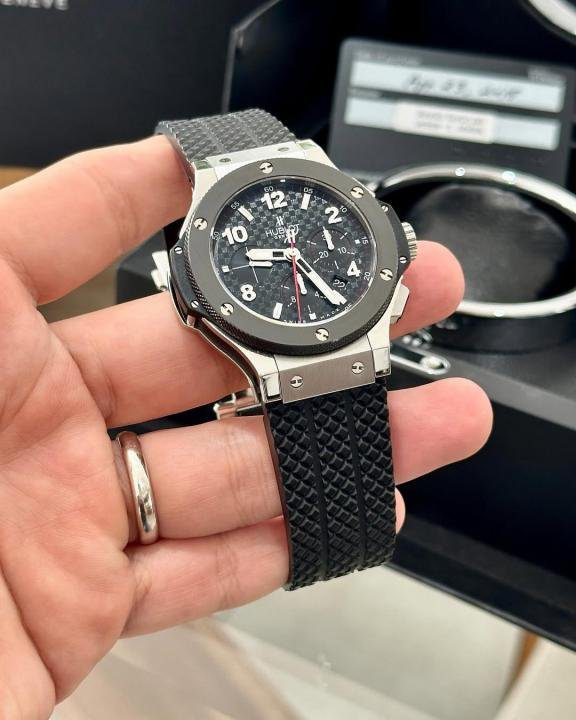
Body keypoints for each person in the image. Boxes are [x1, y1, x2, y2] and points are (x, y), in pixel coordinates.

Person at [0, 135, 492, 718]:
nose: (292, 256)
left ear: (391, 239)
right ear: (181, 287)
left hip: (352, 344)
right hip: (283, 362)